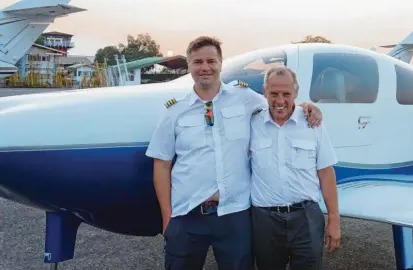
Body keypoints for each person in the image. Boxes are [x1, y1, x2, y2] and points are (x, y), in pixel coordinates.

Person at [145, 36, 323, 270]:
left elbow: (278, 105)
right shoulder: (174, 112)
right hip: (187, 214)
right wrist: (168, 218)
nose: (205, 67)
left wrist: (306, 107)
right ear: (189, 65)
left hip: (234, 213)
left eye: (211, 60)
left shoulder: (245, 98)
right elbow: (162, 164)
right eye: (198, 62)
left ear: (221, 63)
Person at [249, 66, 341, 270]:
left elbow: (326, 173)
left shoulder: (313, 123)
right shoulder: (252, 122)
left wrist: (334, 219)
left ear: (296, 93)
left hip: (306, 219)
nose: (280, 101)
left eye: (286, 94)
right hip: (265, 221)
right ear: (264, 91)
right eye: (273, 93)